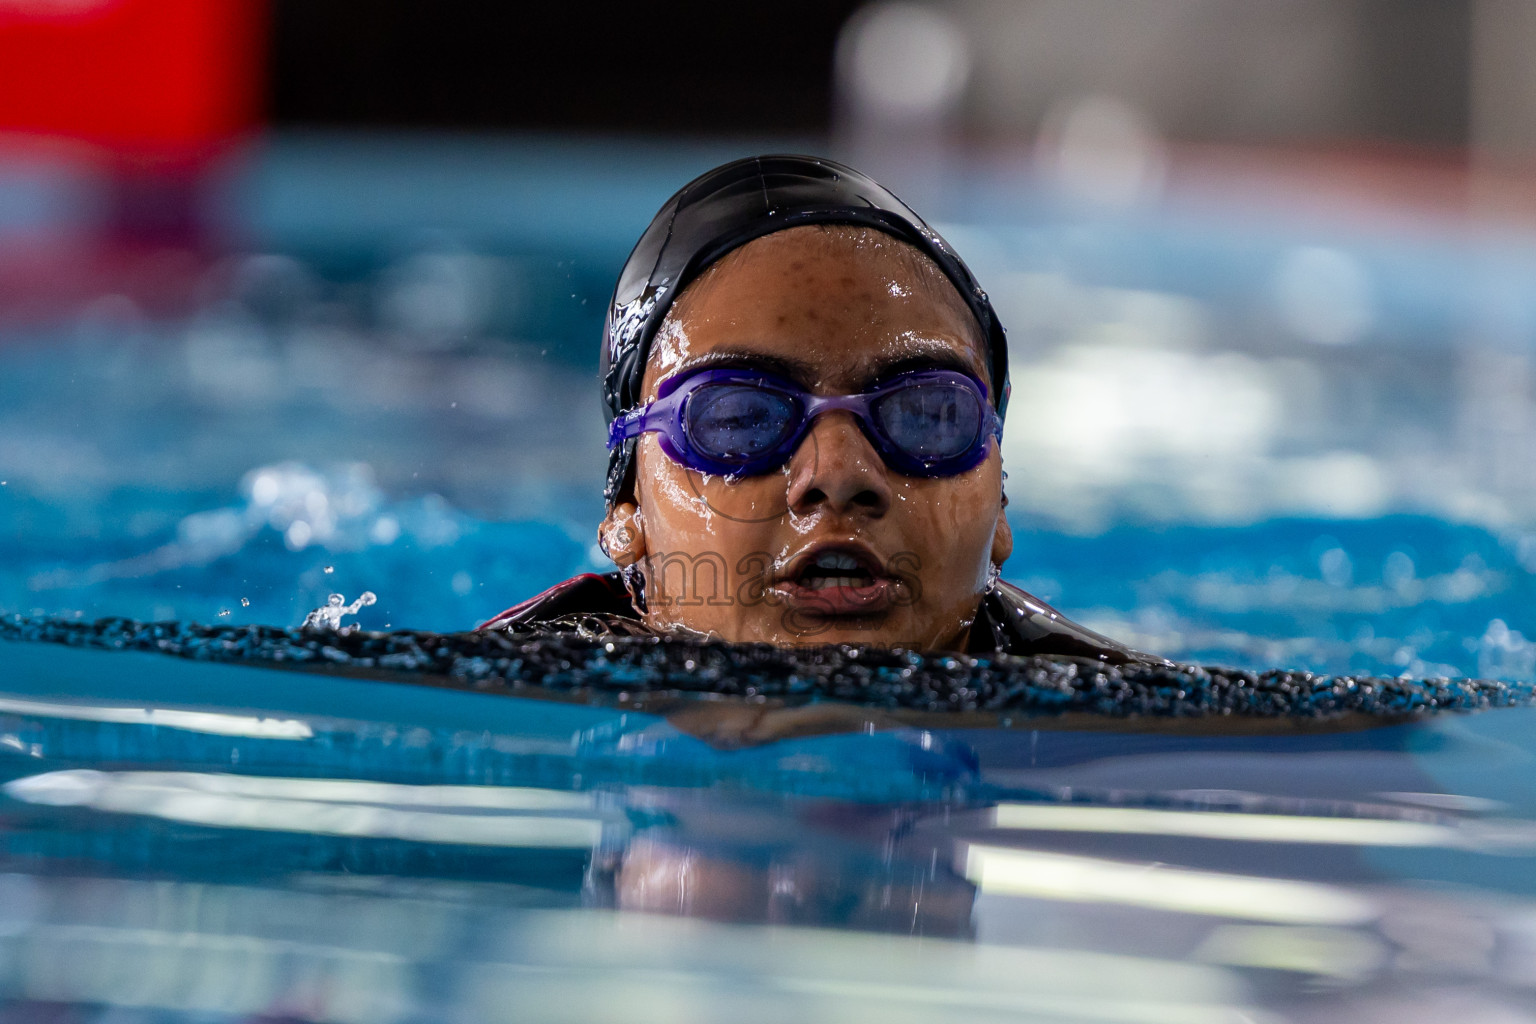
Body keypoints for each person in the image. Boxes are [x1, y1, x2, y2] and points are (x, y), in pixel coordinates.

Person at [482, 155, 1155, 663]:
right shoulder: (506, 682)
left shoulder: (1121, 711)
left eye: (925, 414)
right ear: (627, 510)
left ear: (1000, 507)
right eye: (742, 420)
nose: (838, 472)